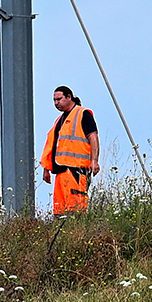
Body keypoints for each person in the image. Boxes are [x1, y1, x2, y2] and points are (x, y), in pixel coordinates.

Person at [40, 85, 99, 216]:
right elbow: (52, 144)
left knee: (76, 209)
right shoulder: (60, 120)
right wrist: (46, 168)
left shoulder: (83, 114)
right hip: (61, 171)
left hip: (76, 170)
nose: (56, 103)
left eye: (59, 99)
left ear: (69, 97)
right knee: (60, 212)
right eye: (54, 100)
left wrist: (94, 161)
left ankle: (78, 233)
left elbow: (93, 137)